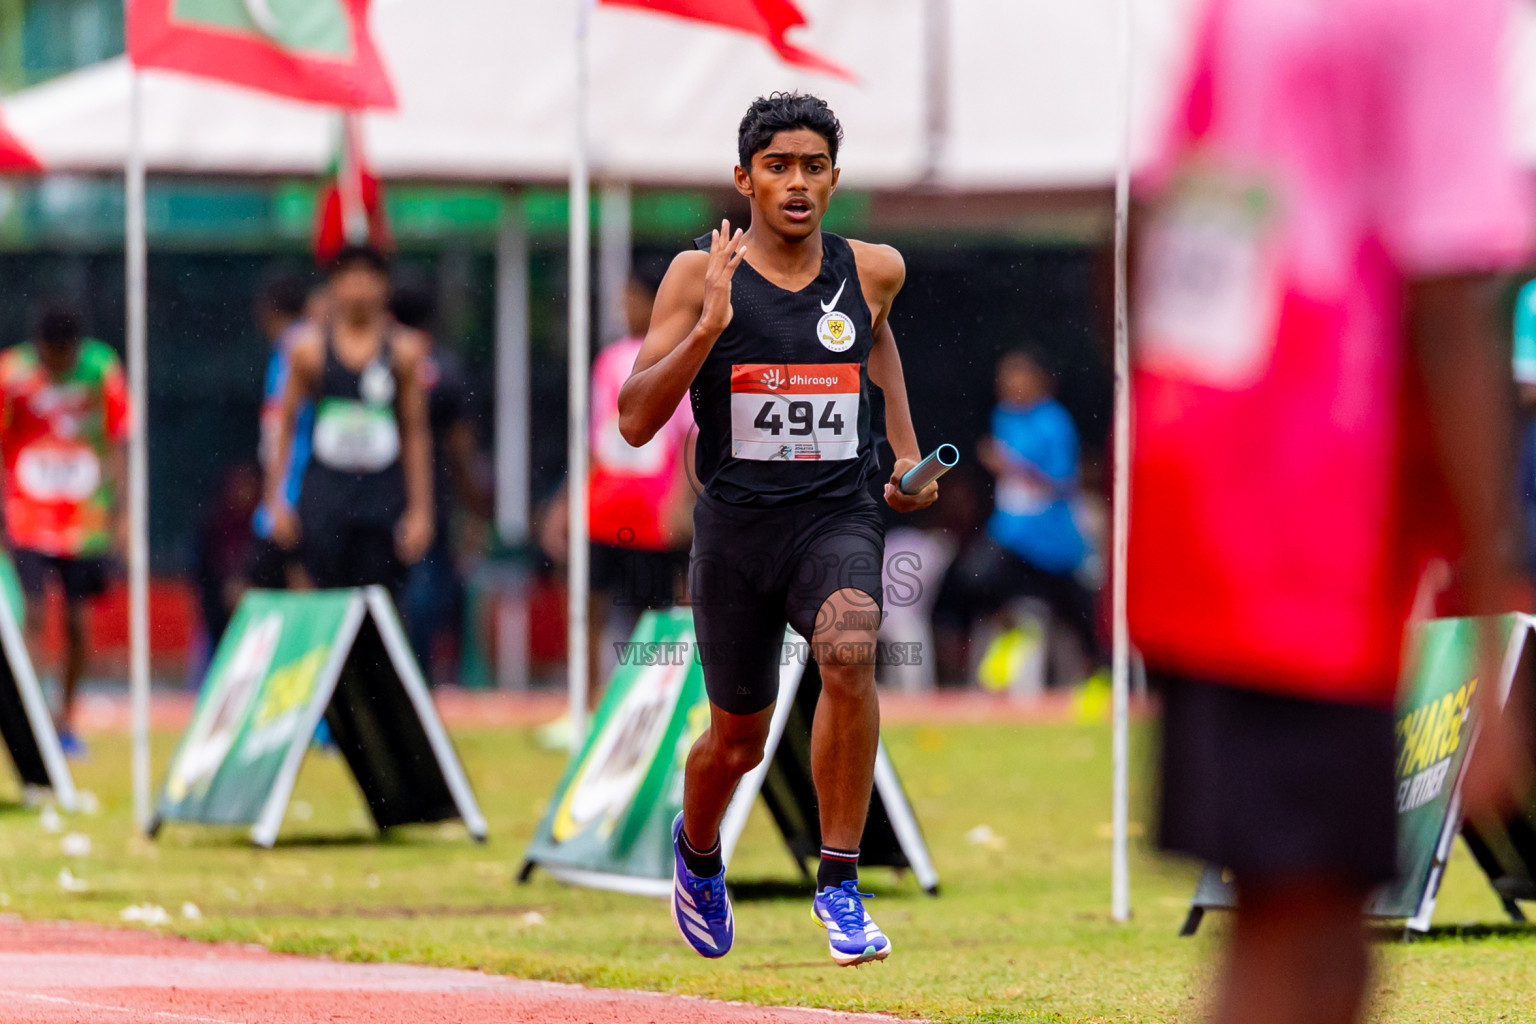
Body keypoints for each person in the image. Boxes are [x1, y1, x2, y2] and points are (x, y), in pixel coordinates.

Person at [1128, 2, 1534, 1023]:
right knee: (1303, 939)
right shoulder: (1434, 16)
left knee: (1304, 930)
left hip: (1207, 506)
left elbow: (1147, 244)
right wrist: (1490, 628)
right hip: (1321, 530)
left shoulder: (1238, 14)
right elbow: (1451, 306)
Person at [618, 92, 938, 967]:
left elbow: (876, 341)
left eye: (813, 167)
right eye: (778, 167)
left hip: (837, 515)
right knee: (737, 743)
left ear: (835, 178)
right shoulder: (698, 275)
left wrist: (905, 453)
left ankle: (839, 882)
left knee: (850, 649)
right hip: (736, 535)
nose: (797, 183)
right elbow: (635, 420)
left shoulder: (873, 269)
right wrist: (709, 329)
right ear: (744, 179)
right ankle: (697, 853)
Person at [539, 268, 696, 712]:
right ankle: (587, 701)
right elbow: (596, 438)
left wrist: (680, 500)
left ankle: (655, 702)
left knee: (656, 610)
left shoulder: (683, 356)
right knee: (587, 603)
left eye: (633, 299)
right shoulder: (609, 360)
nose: (625, 308)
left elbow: (689, 435)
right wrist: (567, 504)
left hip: (653, 507)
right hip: (605, 503)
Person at [265, 245, 434, 598]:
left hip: (381, 496)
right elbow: (285, 424)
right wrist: (276, 500)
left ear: (383, 286)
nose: (358, 288)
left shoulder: (403, 352)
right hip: (326, 494)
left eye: (367, 277)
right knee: (320, 597)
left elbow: (415, 432)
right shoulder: (307, 350)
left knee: (380, 602)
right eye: (349, 277)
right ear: (334, 285)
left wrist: (421, 511)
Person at [0, 301, 129, 759]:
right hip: (28, 518)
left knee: (77, 623)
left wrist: (122, 516)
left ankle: (66, 722)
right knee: (33, 616)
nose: (58, 365)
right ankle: (32, 715)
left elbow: (118, 441)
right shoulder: (12, 374)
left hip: (85, 521)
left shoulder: (100, 368)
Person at [933, 348, 1102, 686]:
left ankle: (1099, 674)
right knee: (967, 582)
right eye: (1003, 377)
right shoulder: (1004, 417)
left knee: (1079, 613)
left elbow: (1063, 482)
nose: (1006, 384)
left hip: (1049, 537)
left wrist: (1011, 465)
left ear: (1039, 381)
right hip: (1009, 530)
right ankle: (1000, 638)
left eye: (1016, 376)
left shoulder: (1054, 422)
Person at [389, 273, 491, 685]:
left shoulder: (378, 360)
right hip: (434, 497)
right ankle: (420, 677)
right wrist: (474, 501)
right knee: (426, 591)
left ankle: (398, 675)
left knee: (401, 591)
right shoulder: (445, 368)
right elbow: (460, 445)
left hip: (378, 494)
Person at [247, 273, 317, 591]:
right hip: (293, 485)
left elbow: (282, 426)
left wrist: (277, 499)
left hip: (295, 487)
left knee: (296, 580)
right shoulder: (302, 345)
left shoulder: (296, 351)